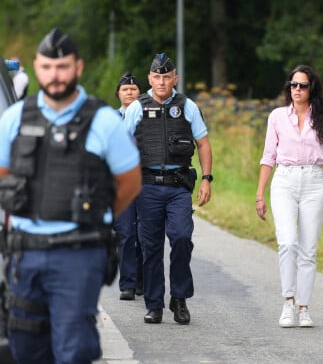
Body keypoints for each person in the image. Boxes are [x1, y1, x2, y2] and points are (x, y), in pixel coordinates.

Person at [0, 28, 142, 363]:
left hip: (79, 253)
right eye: (48, 67)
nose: (55, 75)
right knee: (24, 346)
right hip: (25, 255)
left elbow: (130, 184)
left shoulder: (104, 122)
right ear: (36, 68)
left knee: (74, 347)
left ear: (78, 68)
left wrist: (95, 217)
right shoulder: (15, 119)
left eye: (63, 66)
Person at [124, 53, 213, 325]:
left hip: (178, 187)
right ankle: (154, 305)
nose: (162, 82)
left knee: (182, 237)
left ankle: (180, 298)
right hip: (147, 187)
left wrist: (207, 178)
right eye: (156, 77)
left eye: (166, 77)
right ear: (149, 78)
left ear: (175, 78)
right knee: (150, 248)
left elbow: (204, 144)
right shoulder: (136, 108)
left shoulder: (188, 106)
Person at [255, 64, 323, 328]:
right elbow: (268, 156)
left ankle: (304, 307)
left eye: (302, 85)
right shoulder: (278, 117)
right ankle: (287, 302)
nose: (297, 89)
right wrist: (260, 194)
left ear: (311, 88)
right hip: (284, 180)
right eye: (293, 85)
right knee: (287, 243)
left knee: (308, 249)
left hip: (315, 182)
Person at [114, 72, 144, 300]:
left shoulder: (148, 116)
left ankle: (142, 280)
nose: (130, 93)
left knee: (145, 235)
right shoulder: (111, 120)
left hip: (146, 182)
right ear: (118, 94)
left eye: (134, 90)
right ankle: (127, 283)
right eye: (125, 89)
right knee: (125, 233)